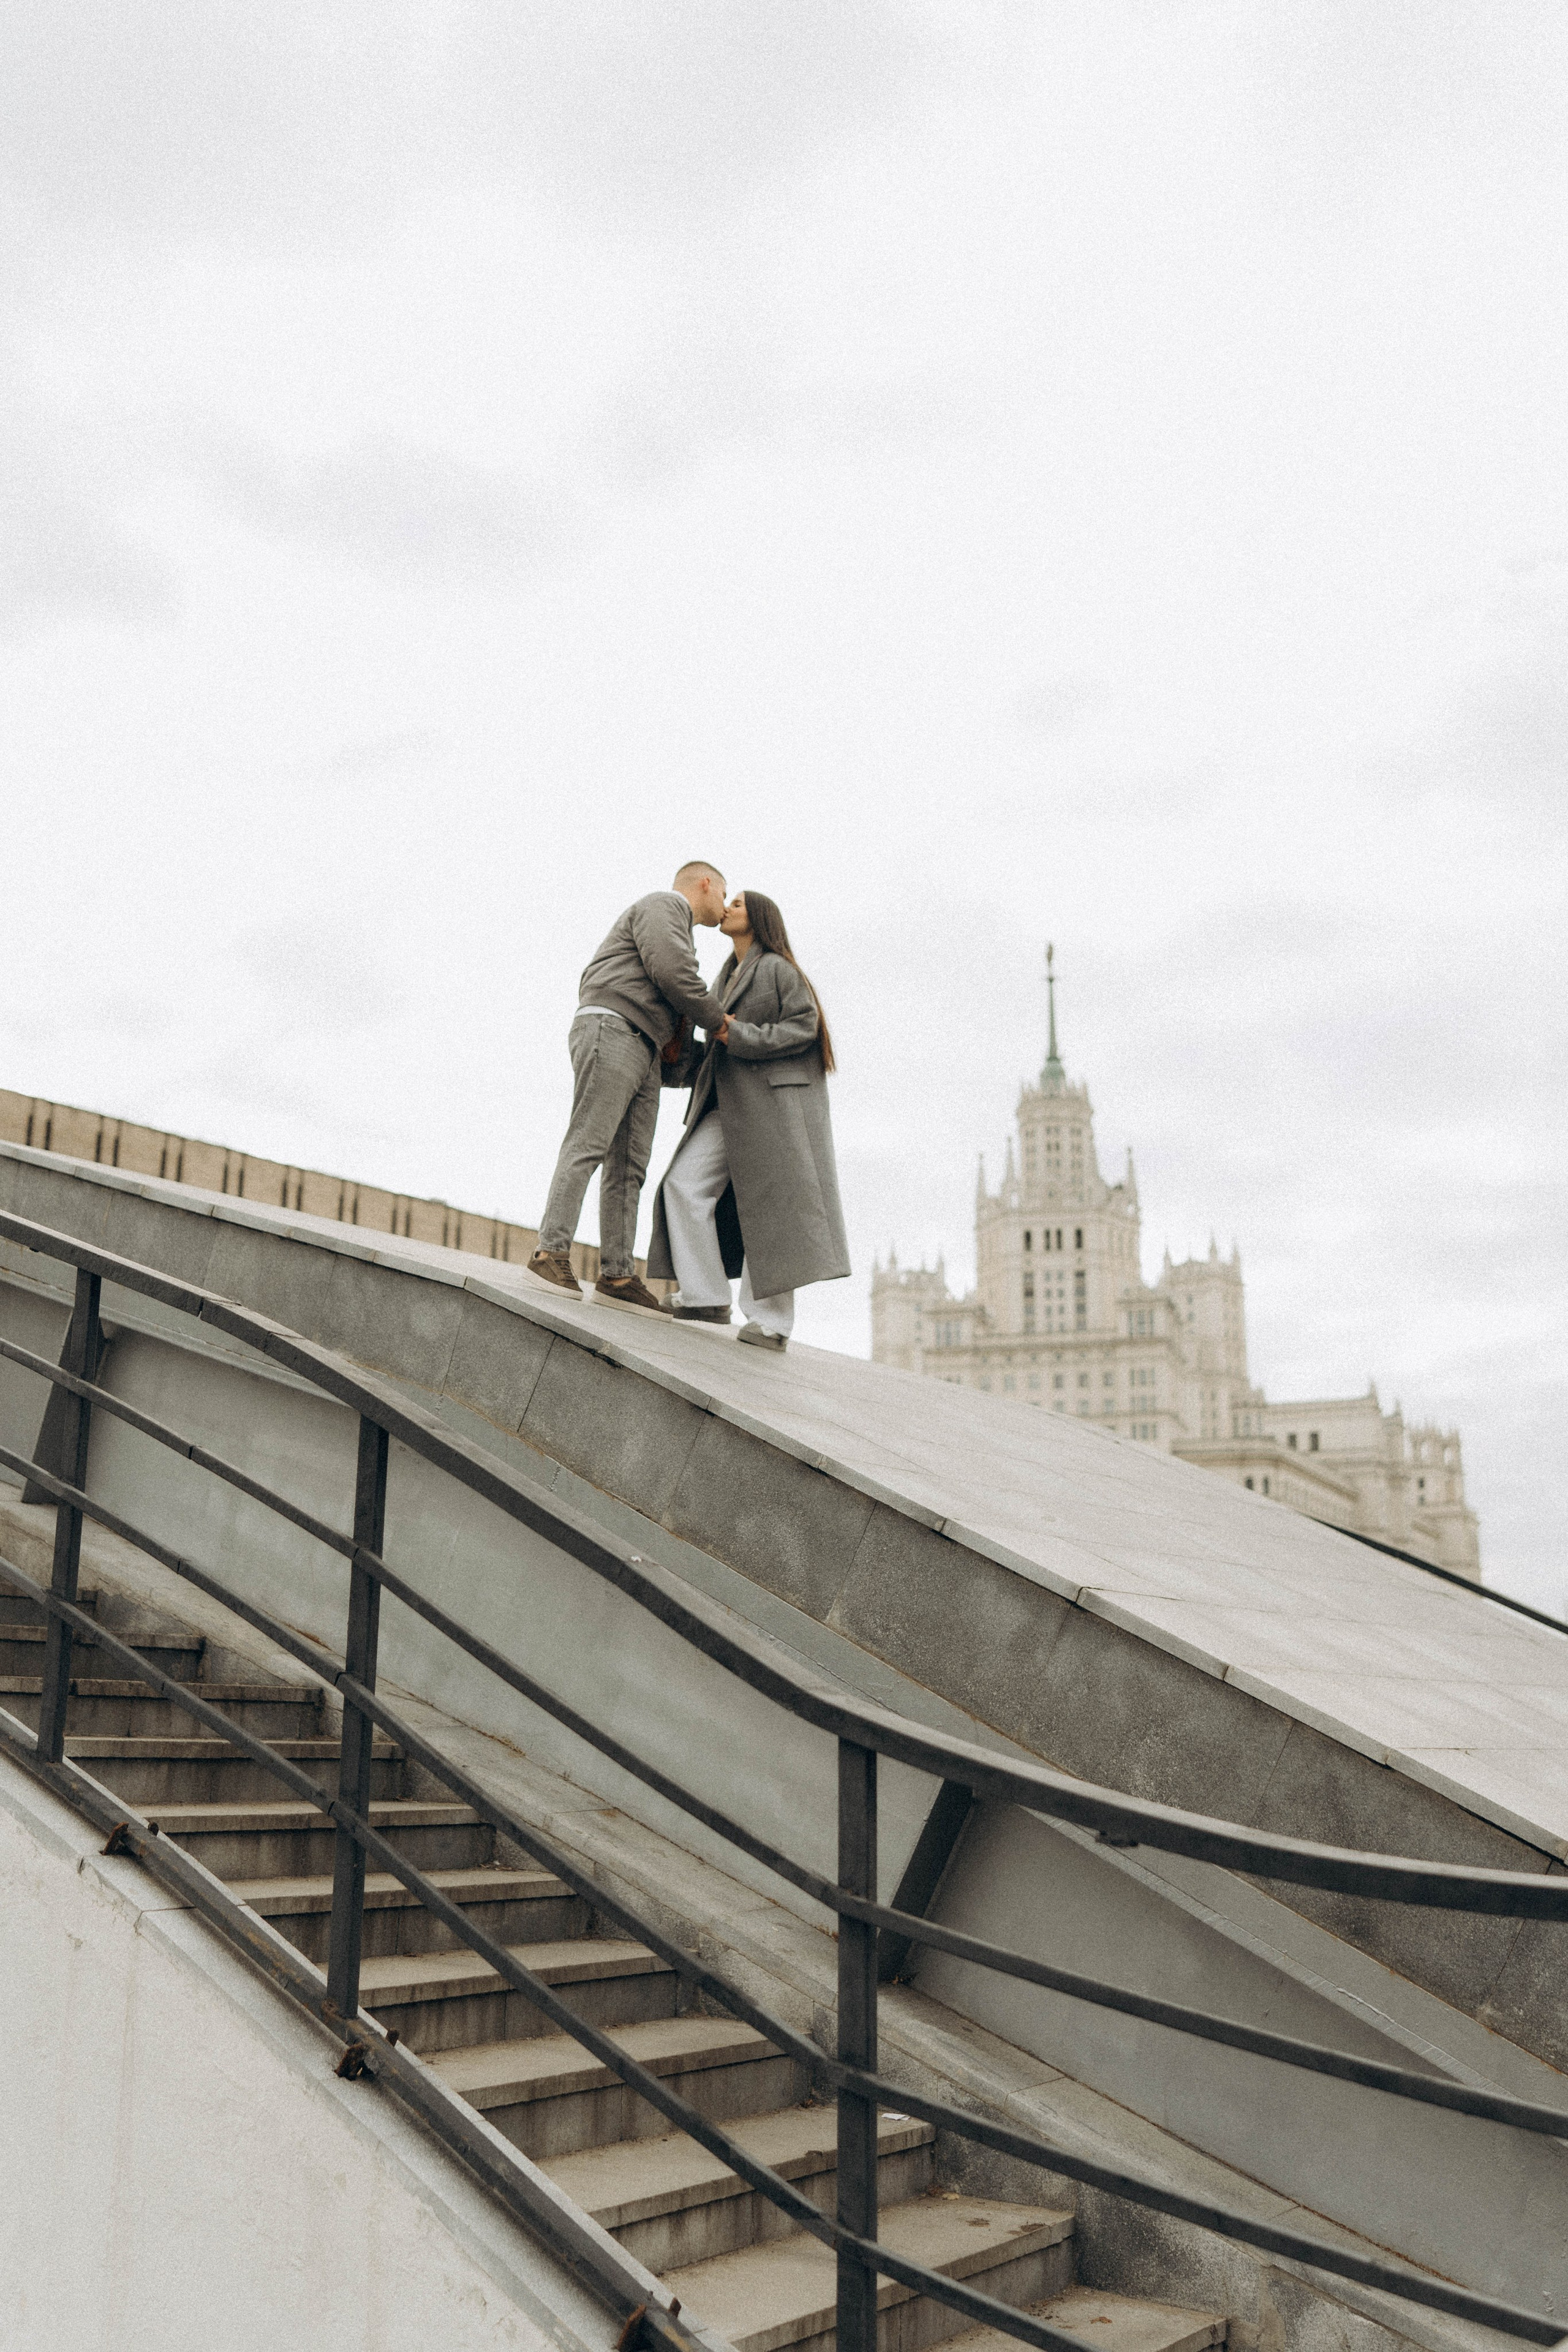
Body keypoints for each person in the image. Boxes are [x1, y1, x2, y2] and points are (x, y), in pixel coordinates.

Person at [647, 889, 849, 1351]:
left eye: (738, 903)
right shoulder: (726, 975)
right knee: (683, 1184)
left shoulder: (779, 969)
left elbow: (804, 1026)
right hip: (728, 1105)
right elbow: (718, 1043)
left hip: (773, 1110)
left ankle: (773, 1323)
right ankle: (706, 1296)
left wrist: (732, 1031)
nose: (729, 908)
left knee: (771, 1208)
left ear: (757, 919)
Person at [529, 863, 732, 1306]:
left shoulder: (680, 929)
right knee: (590, 1143)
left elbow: (676, 1032)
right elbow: (672, 971)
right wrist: (721, 1025)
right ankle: (551, 1251)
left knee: (629, 1168)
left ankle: (618, 1275)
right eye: (725, 893)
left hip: (645, 1047)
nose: (725, 905)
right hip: (615, 1028)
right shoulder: (664, 906)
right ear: (706, 884)